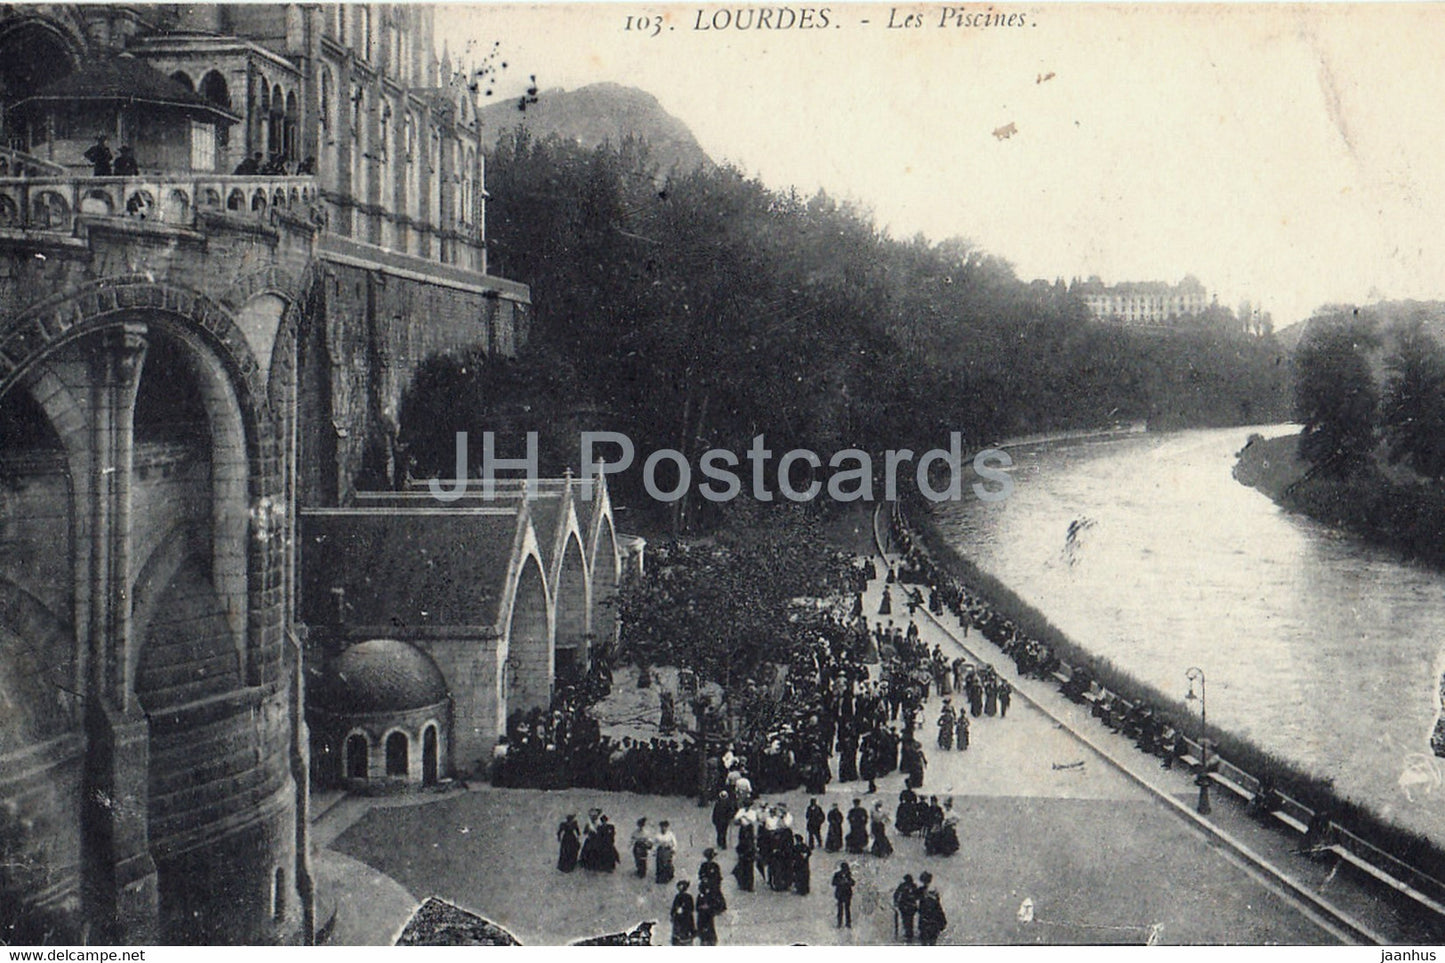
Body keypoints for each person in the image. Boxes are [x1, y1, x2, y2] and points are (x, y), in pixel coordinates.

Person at [917, 873, 947, 945]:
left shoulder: (922, 894)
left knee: (925, 942)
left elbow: (920, 910)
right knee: (932, 942)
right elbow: (940, 911)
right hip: (933, 924)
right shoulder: (935, 902)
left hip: (925, 923)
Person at [695, 877, 722, 946]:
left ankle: (709, 940)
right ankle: (705, 940)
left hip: (707, 915)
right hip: (703, 916)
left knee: (708, 928)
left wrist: (708, 907)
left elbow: (714, 905)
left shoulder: (710, 896)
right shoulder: (700, 896)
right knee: (704, 929)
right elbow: (697, 907)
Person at [893, 874, 920, 942]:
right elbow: (917, 896)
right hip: (908, 907)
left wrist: (896, 902)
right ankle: (909, 933)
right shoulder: (912, 886)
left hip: (906, 907)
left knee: (907, 920)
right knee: (908, 920)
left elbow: (896, 894)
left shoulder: (904, 886)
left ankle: (908, 933)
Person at [670, 880, 696, 946]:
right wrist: (675, 912)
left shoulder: (688, 897)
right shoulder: (677, 897)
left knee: (686, 936)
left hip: (686, 919)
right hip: (679, 920)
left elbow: (691, 908)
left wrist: (684, 910)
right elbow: (673, 909)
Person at [832, 862, 855, 929]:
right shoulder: (837, 874)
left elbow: (853, 883)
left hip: (847, 894)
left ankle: (848, 923)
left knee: (847, 909)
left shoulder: (848, 875)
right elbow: (833, 883)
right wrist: (840, 882)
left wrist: (848, 882)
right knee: (840, 909)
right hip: (840, 894)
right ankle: (839, 923)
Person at [654, 820, 678, 884]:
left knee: (667, 864)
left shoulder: (670, 834)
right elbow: (655, 843)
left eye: (665, 827)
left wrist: (673, 849)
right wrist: (654, 851)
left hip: (667, 850)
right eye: (662, 827)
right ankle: (660, 878)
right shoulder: (658, 835)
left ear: (667, 827)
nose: (663, 828)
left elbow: (674, 843)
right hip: (661, 850)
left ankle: (667, 877)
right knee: (660, 864)